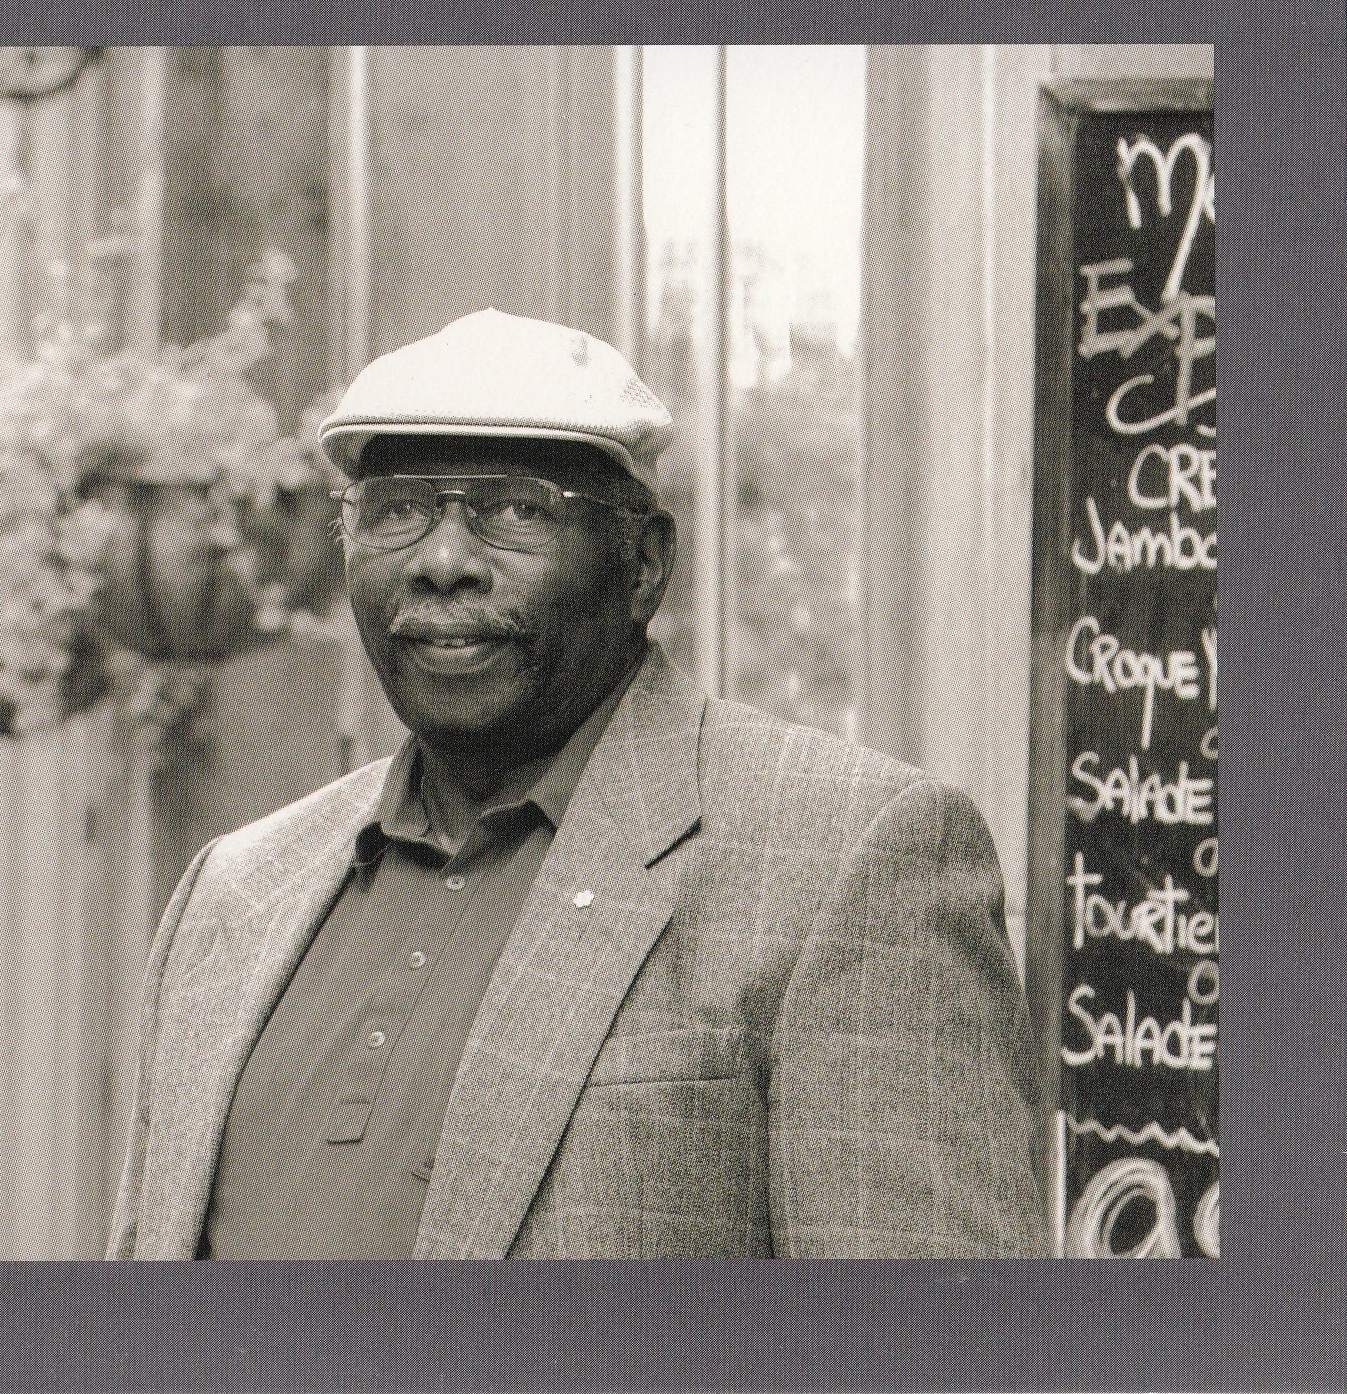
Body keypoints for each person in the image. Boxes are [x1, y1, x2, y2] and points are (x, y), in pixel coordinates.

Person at [107, 308, 1046, 1259]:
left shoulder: (844, 857)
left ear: (645, 564)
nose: (442, 562)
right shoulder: (235, 892)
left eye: (517, 509)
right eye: (395, 509)